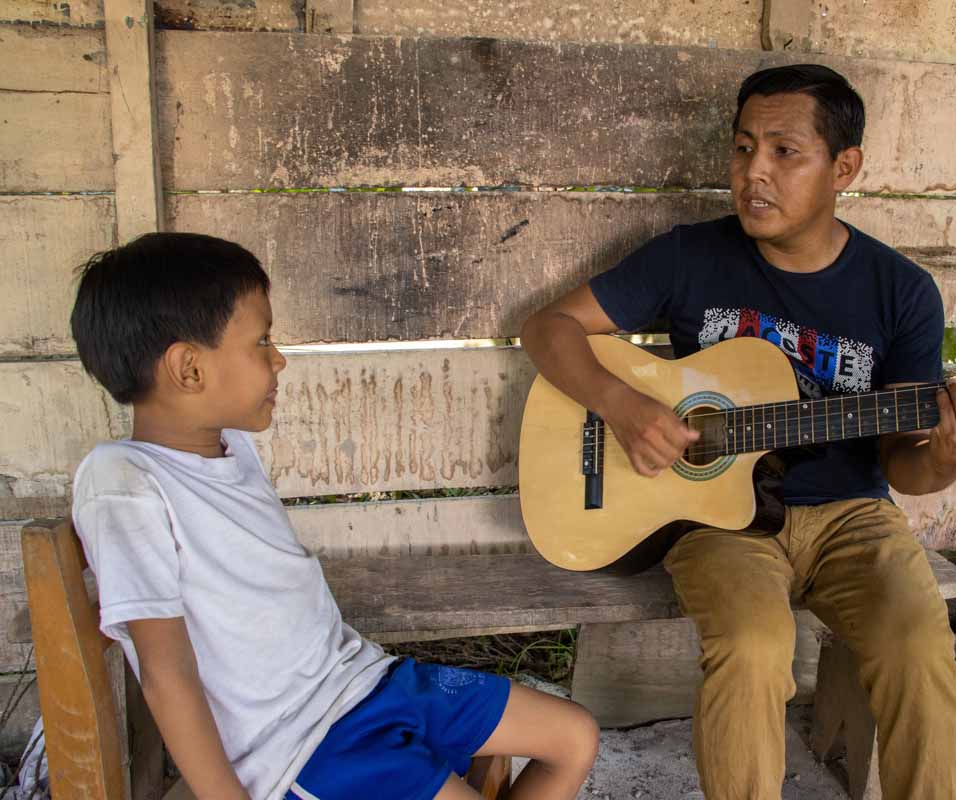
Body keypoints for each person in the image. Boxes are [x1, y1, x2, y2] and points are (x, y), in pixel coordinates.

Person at [520, 64, 956, 799]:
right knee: (754, 648)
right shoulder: (691, 255)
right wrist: (624, 407)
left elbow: (907, 467)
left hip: (854, 517)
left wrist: (946, 456)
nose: (755, 172)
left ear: (844, 166)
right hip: (723, 522)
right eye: (743, 147)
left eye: (785, 152)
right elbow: (547, 327)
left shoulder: (901, 290)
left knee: (918, 646)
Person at [68, 232, 599, 800]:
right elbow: (165, 669)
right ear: (189, 368)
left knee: (575, 736)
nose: (280, 359)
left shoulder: (232, 448)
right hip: (304, 745)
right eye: (261, 341)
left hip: (364, 682)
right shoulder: (123, 481)